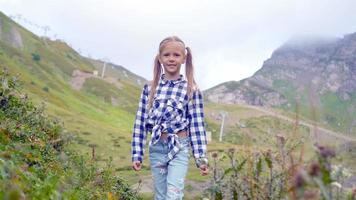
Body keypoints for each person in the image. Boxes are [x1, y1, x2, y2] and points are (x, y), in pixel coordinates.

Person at [131, 36, 209, 199]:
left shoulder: (191, 90)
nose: (171, 59)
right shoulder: (150, 88)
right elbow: (140, 122)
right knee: (160, 194)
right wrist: (137, 154)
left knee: (174, 193)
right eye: (167, 55)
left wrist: (201, 158)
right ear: (160, 58)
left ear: (183, 58)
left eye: (176, 55)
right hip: (157, 147)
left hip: (179, 147)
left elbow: (197, 127)